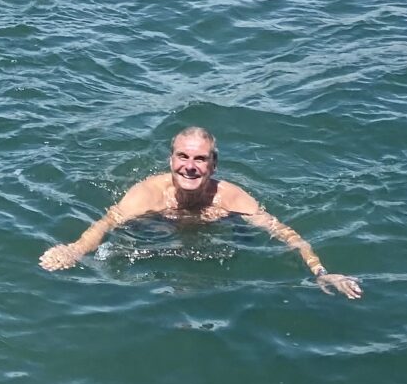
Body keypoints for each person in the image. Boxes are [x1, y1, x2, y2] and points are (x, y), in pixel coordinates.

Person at [38, 127, 363, 299]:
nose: (190, 167)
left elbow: (285, 233)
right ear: (171, 160)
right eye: (183, 157)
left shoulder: (231, 197)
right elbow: (105, 224)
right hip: (156, 232)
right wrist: (75, 249)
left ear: (213, 165)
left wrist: (321, 272)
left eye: (200, 160)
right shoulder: (147, 194)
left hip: (217, 233)